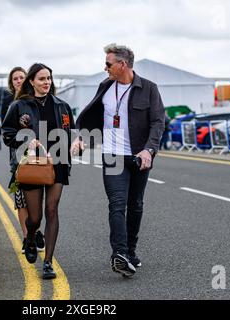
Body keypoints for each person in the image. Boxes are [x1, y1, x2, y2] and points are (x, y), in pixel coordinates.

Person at [71, 44, 165, 278]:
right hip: (112, 154)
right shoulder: (105, 86)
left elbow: (158, 122)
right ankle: (120, 254)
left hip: (138, 156)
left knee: (136, 205)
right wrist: (82, 138)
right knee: (116, 203)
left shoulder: (149, 89)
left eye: (109, 64)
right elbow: (93, 116)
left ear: (123, 64)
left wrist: (148, 150)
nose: (105, 68)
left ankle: (130, 252)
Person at [2, 63, 75, 279]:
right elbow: (7, 133)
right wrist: (25, 140)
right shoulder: (19, 106)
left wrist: (76, 142)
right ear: (31, 81)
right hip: (31, 165)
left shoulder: (62, 106)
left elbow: (72, 131)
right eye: (42, 79)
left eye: (49, 79)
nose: (47, 83)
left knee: (52, 211)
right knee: (35, 217)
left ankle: (48, 263)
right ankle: (31, 236)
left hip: (58, 163)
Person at [2, 67, 45, 256]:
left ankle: (34, 231)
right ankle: (27, 237)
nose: (19, 80)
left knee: (35, 200)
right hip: (18, 157)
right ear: (11, 84)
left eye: (21, 77)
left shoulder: (35, 100)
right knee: (20, 199)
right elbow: (7, 131)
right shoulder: (10, 103)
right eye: (15, 79)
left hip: (38, 156)